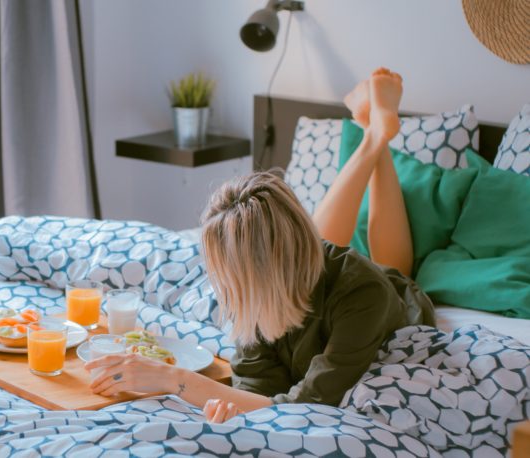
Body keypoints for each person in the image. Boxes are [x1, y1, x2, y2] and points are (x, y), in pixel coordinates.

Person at [84, 68, 435, 423]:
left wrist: (176, 380)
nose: (222, 285)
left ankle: (377, 136)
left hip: (388, 293)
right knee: (318, 241)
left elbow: (310, 405)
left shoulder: (363, 294)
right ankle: (374, 133)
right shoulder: (252, 293)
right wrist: (235, 406)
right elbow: (257, 387)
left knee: (393, 265)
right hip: (301, 267)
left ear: (260, 270)